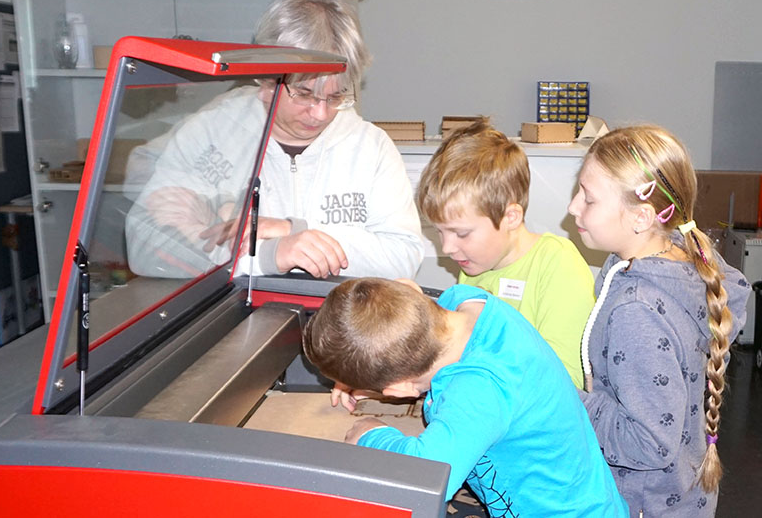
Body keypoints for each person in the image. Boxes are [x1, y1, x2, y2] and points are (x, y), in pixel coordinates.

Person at [124, 0, 423, 280]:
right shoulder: (212, 133)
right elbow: (147, 244)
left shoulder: (370, 147)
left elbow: (403, 256)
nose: (320, 114)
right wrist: (267, 256)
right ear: (267, 81)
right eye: (304, 94)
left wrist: (292, 230)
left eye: (335, 97)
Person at [303, 277, 629, 517]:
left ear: (398, 391)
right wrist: (364, 375)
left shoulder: (477, 391)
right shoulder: (463, 301)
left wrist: (370, 434)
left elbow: (427, 472)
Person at [568, 125, 750, 516]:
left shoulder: (637, 313)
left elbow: (648, 442)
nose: (573, 208)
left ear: (641, 217)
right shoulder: (685, 256)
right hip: (679, 493)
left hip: (644, 503)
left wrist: (569, 400)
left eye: (588, 199)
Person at [416, 119, 594, 388]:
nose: (447, 247)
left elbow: (562, 380)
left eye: (461, 233)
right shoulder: (474, 268)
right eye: (440, 232)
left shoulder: (557, 264)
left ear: (511, 217)